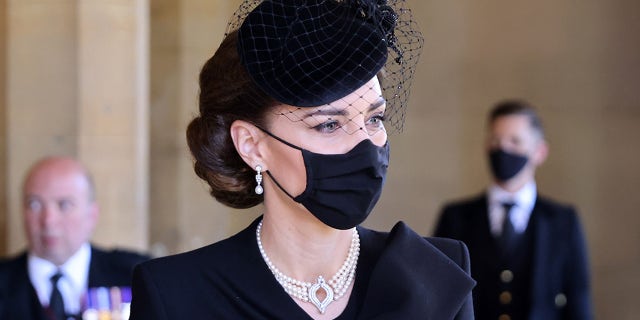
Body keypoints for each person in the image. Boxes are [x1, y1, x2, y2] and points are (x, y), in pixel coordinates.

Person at [130, 0, 475, 319]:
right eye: (329, 124)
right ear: (252, 145)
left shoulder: (434, 275)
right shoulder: (176, 295)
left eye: (374, 119)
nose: (365, 146)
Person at [434, 100, 593, 320]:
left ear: (539, 152)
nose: (503, 149)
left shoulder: (563, 221)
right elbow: (439, 296)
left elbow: (579, 301)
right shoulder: (455, 217)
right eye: (495, 140)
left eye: (515, 141)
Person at [0, 156, 150, 320]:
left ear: (92, 214)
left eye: (64, 204)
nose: (48, 220)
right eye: (34, 204)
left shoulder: (136, 276)